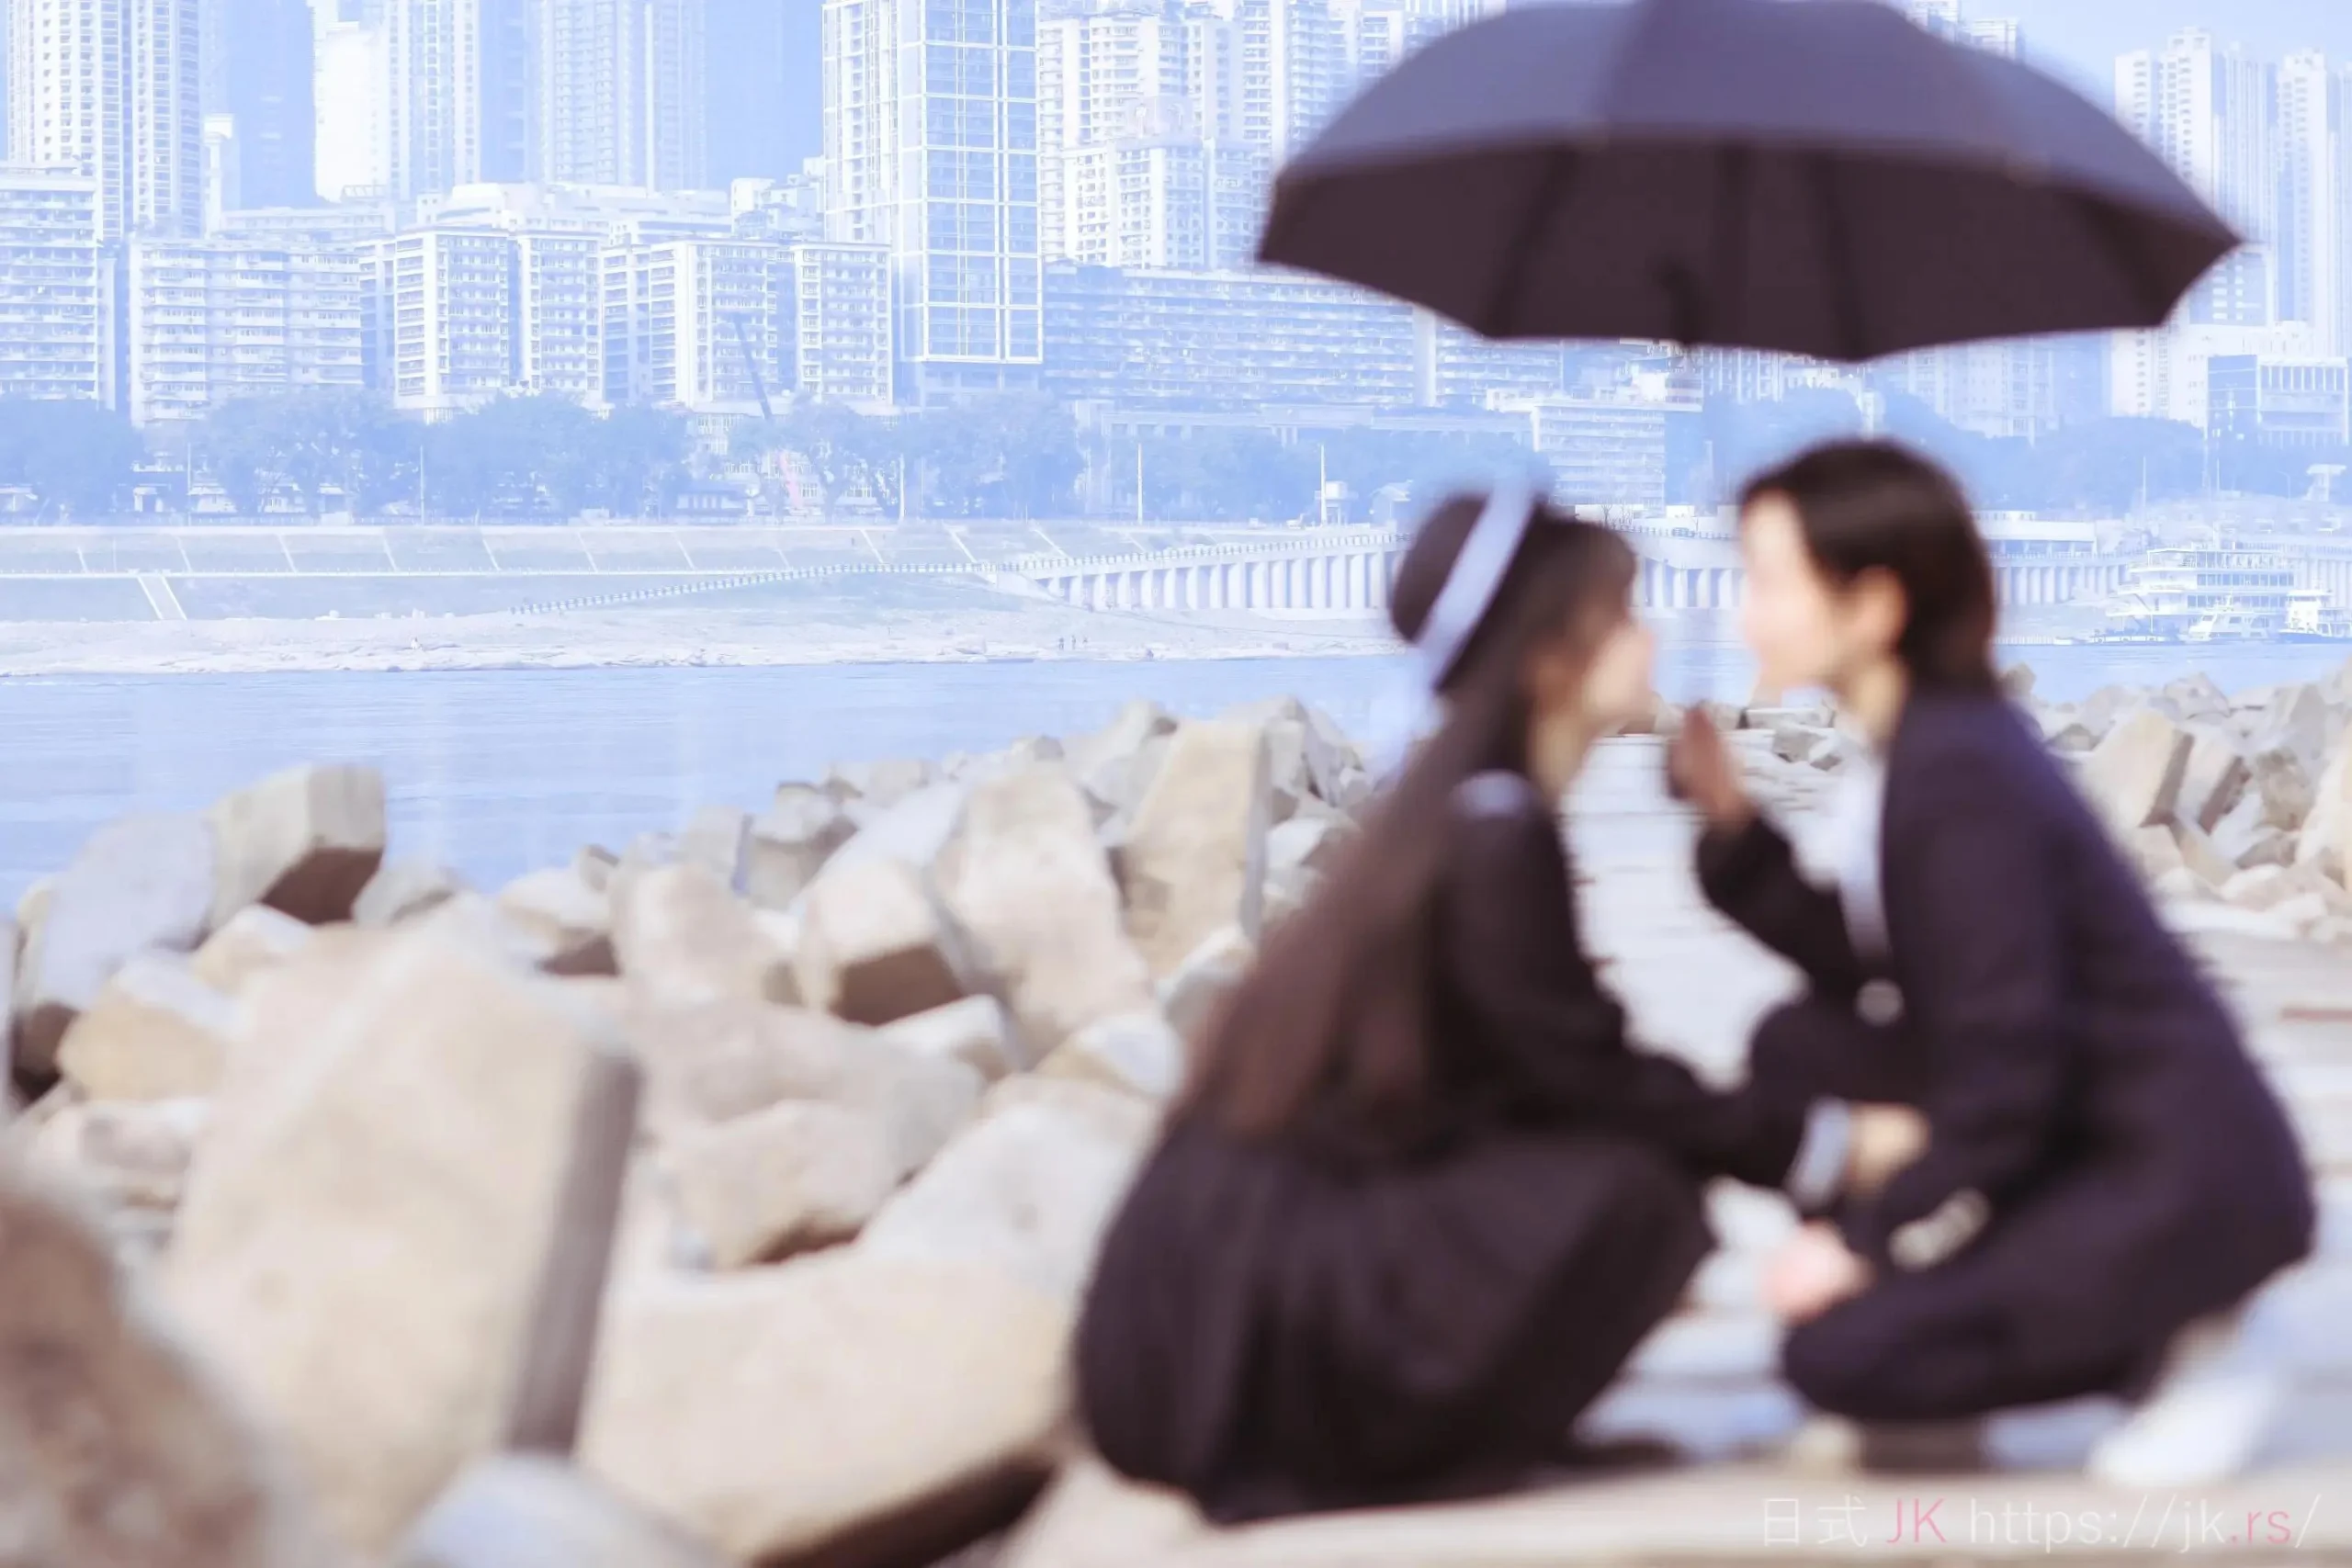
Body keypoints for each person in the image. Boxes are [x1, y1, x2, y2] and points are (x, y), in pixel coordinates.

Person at [1074, 482, 1924, 1524]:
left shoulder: (1467, 812)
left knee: (1618, 1177)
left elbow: (1552, 1077)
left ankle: (1444, 1430)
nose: (1651, 637)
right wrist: (1831, 1147)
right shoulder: (1496, 837)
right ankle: (1410, 1447)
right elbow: (1600, 1077)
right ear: (1549, 658)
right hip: (1239, 1343)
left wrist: (1728, 830)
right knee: (1636, 1200)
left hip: (1213, 1310)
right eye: (1621, 616)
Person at [1667, 440, 2317, 1484]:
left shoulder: (1958, 777)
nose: (1747, 614)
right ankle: (1961, 1335)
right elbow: (1881, 966)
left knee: (1835, 1353)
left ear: (1874, 606)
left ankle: (2203, 1327)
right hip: (2078, 1131)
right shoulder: (1930, 746)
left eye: (1771, 581)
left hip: (2169, 1177)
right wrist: (1736, 830)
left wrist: (1872, 1242)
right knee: (1800, 1047)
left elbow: (2007, 1073)